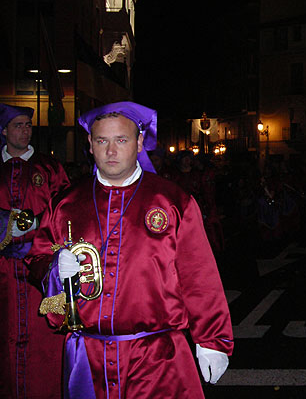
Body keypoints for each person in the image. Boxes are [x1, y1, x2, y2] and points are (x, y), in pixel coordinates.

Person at [25, 102, 233, 399]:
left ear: (138, 143)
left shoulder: (172, 201)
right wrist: (54, 269)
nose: (111, 151)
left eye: (121, 140)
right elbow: (37, 257)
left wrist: (212, 339)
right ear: (90, 144)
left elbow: (199, 276)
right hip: (88, 358)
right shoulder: (66, 203)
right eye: (102, 141)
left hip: (156, 358)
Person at [0, 103, 69, 399]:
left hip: (39, 271)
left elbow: (64, 212)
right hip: (2, 272)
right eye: (18, 125)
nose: (25, 130)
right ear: (4, 131)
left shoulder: (49, 167)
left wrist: (34, 237)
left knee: (46, 339)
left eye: (28, 125)